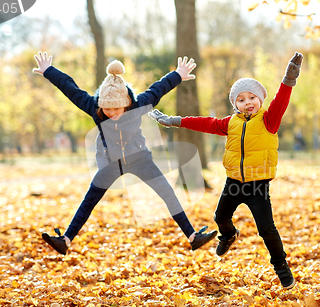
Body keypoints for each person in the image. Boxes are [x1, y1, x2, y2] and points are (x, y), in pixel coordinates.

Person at [33, 51, 217, 255]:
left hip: (140, 159)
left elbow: (158, 88)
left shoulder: (139, 105)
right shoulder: (95, 109)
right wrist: (49, 71)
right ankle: (65, 240)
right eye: (107, 110)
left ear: (127, 102)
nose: (111, 114)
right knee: (90, 199)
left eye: (116, 109)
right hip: (111, 163)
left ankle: (193, 236)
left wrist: (179, 74)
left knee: (167, 192)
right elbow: (71, 89)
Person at [149, 52, 303, 289]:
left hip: (257, 185)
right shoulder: (230, 123)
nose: (247, 102)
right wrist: (175, 120)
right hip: (233, 182)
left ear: (261, 99)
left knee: (266, 229)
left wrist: (288, 79)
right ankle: (229, 235)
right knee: (220, 217)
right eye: (241, 99)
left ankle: (281, 266)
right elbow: (204, 122)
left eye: (252, 97)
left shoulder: (268, 121)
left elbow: (281, 101)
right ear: (235, 104)